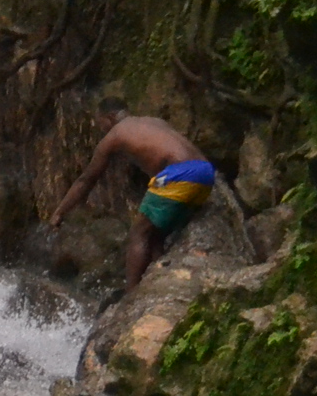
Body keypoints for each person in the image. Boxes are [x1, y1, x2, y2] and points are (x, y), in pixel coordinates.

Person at [49, 97, 214, 290]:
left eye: (100, 122)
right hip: (206, 172)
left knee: (139, 233)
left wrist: (59, 212)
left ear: (109, 117)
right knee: (155, 233)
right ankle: (158, 279)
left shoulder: (115, 135)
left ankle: (132, 294)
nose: (100, 128)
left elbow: (86, 180)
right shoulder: (154, 122)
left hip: (180, 174)